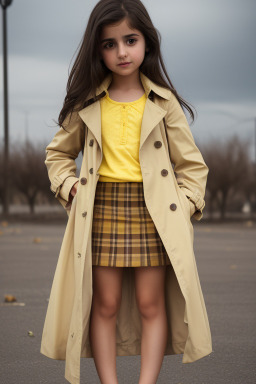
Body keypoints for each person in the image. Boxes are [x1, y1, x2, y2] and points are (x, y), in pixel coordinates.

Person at [40, 1, 212, 383]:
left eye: (130, 40)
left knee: (152, 305)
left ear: (146, 43)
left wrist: (181, 208)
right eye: (109, 44)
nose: (121, 52)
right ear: (96, 50)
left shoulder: (164, 103)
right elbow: (57, 155)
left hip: (154, 214)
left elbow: (192, 167)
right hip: (100, 211)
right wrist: (71, 192)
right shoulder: (87, 101)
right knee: (105, 305)